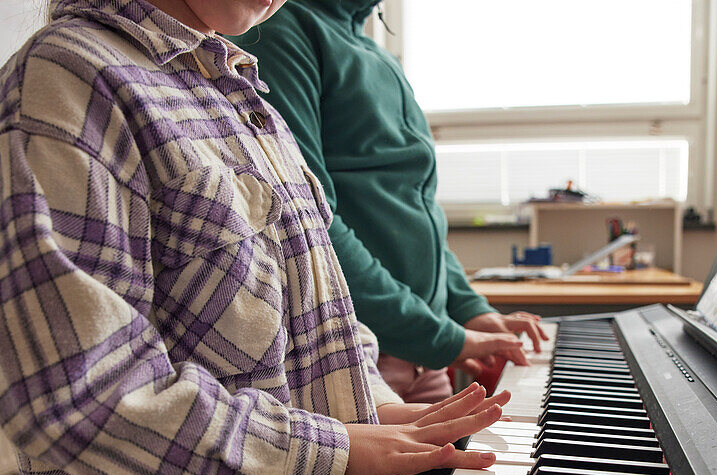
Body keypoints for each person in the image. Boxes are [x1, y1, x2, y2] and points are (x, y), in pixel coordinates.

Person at [0, 1, 507, 475]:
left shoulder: (235, 83)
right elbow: (79, 392)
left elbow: (315, 307)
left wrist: (375, 405)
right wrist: (337, 451)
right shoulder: (65, 84)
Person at [231, 1, 549, 408]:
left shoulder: (378, 55)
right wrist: (442, 337)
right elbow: (310, 222)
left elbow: (417, 207)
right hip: (354, 356)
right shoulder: (280, 31)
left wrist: (466, 308)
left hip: (424, 360)